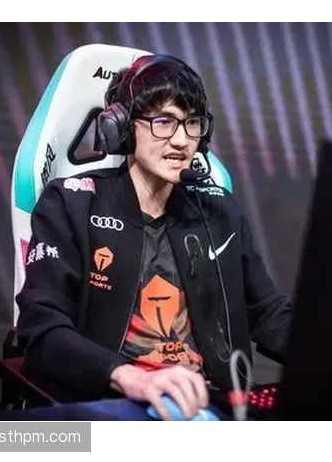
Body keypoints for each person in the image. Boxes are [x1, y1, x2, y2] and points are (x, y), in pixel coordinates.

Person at [15, 54, 293, 420]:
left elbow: (267, 312)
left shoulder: (218, 210)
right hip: (118, 401)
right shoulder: (71, 204)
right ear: (122, 128)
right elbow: (41, 326)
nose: (181, 140)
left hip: (211, 405)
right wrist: (129, 377)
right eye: (163, 121)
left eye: (191, 123)